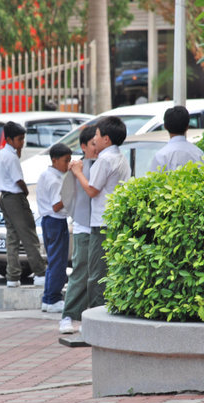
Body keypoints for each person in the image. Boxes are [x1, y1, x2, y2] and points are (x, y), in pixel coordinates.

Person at [69, 116, 131, 308]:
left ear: (106, 139)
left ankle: (95, 319)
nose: (94, 139)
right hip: (114, 221)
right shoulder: (120, 157)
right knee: (110, 272)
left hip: (101, 224)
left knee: (96, 275)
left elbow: (92, 190)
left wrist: (78, 171)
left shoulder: (104, 160)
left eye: (96, 134)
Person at [0, 121, 47, 288]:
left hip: (4, 197)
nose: (22, 142)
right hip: (15, 198)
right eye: (19, 139)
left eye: (23, 138)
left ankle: (12, 276)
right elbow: (19, 180)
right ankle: (40, 273)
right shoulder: (11, 157)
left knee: (12, 237)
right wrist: (25, 192)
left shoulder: (3, 153)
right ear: (9, 139)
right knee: (29, 236)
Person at [59, 125, 97, 334]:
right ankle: (68, 315)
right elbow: (66, 196)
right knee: (81, 271)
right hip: (84, 226)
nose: (97, 147)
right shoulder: (77, 167)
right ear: (83, 146)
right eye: (93, 144)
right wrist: (77, 216)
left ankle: (90, 316)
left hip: (99, 226)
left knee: (96, 273)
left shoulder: (101, 163)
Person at [36, 143, 71, 315]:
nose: (68, 164)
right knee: (58, 262)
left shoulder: (45, 175)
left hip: (47, 221)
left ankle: (47, 298)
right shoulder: (56, 180)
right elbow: (57, 205)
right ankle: (54, 299)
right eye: (66, 161)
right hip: (56, 221)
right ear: (55, 160)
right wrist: (71, 194)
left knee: (52, 261)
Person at [148, 106, 204, 173]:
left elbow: (154, 180)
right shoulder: (198, 153)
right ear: (187, 127)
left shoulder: (161, 155)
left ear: (165, 127)